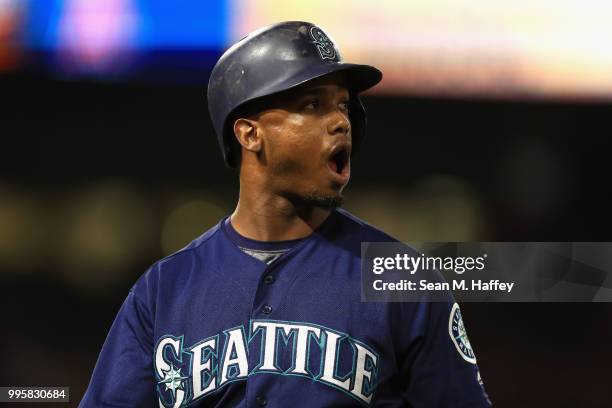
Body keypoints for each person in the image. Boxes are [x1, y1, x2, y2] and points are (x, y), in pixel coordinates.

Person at [79, 21, 492, 407]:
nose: (340, 122)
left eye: (343, 106)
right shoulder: (163, 290)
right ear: (249, 133)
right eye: (312, 104)